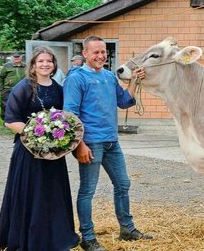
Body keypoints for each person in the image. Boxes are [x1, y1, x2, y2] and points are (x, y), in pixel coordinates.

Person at [63, 35, 152, 251]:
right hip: (91, 143)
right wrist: (79, 145)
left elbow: (123, 102)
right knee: (88, 191)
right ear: (85, 54)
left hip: (112, 141)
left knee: (123, 184)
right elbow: (70, 114)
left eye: (103, 52)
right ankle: (88, 237)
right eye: (96, 52)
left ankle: (127, 229)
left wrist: (133, 82)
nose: (101, 56)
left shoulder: (109, 77)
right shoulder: (76, 78)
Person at [0, 46, 80, 251]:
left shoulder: (58, 87)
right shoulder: (23, 87)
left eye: (49, 61)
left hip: (53, 153)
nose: (45, 64)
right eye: (41, 61)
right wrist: (37, 136)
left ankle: (54, 237)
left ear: (54, 64)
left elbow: (64, 117)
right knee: (31, 193)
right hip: (29, 151)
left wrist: (56, 139)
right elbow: (10, 120)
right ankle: (28, 238)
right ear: (33, 65)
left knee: (52, 193)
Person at [0, 52, 26, 122]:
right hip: (8, 89)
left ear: (21, 57)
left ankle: (17, 120)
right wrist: (1, 89)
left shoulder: (25, 66)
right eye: (15, 57)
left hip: (21, 90)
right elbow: (0, 77)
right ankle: (5, 121)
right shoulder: (7, 66)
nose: (16, 58)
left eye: (18, 57)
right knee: (5, 105)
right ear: (12, 58)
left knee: (20, 105)